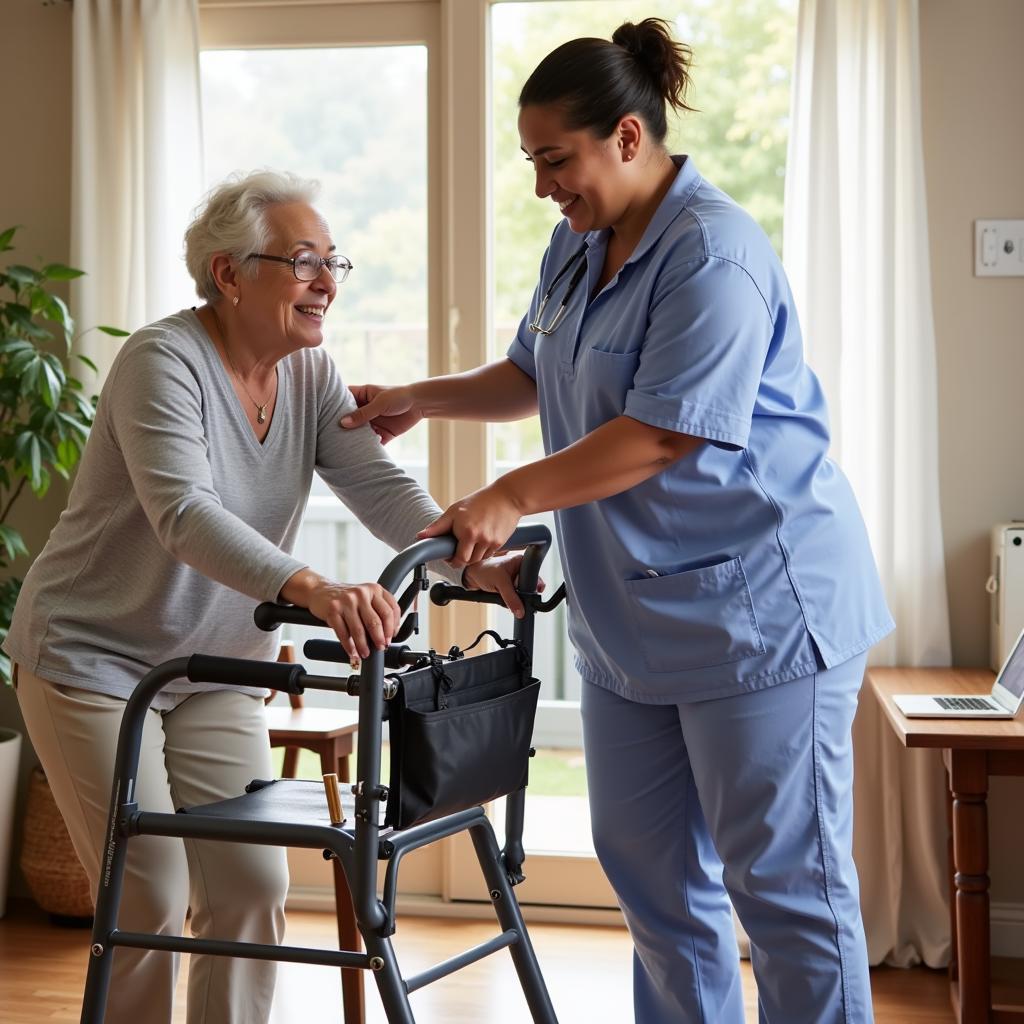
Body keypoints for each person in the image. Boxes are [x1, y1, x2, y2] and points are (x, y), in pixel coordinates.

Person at [341, 19, 895, 1024]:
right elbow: (532, 368)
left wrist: (509, 493)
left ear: (628, 138)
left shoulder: (713, 254)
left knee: (784, 894)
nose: (544, 185)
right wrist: (419, 397)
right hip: (630, 623)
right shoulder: (577, 243)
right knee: (653, 886)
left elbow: (662, 435)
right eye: (533, 163)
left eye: (557, 160)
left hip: (758, 615)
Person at [3, 170, 523, 1024]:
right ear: (229, 273)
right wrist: (311, 587)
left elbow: (378, 486)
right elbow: (184, 513)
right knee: (148, 889)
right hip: (90, 658)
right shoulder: (161, 362)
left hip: (217, 666)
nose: (327, 281)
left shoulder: (310, 372)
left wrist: (467, 564)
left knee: (250, 883)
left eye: (333, 264)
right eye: (304, 261)